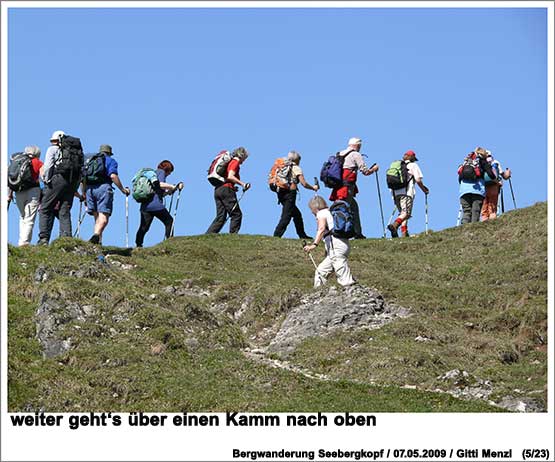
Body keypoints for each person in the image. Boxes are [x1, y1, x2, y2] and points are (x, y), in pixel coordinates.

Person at [330, 137, 379, 239]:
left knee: (351, 207)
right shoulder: (356, 154)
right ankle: (343, 232)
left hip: (338, 186)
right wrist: (374, 169)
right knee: (345, 208)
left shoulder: (340, 153)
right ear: (358, 145)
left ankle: (357, 232)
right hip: (347, 186)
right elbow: (365, 171)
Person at [37, 130, 80, 245]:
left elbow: (48, 166)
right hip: (71, 182)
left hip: (58, 179)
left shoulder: (52, 149)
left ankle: (44, 239)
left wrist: (46, 179)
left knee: (45, 208)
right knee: (64, 211)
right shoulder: (75, 152)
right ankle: (66, 239)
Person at [303, 196, 355, 288]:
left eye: (311, 209)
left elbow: (321, 229)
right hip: (342, 244)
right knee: (321, 271)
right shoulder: (330, 212)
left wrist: (314, 245)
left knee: (340, 266)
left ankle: (350, 287)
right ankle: (318, 291)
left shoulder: (321, 213)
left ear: (315, 207)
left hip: (336, 246)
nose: (311, 212)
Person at [82, 144, 130, 244]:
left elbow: (82, 179)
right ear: (109, 153)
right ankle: (96, 236)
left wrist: (84, 195)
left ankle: (98, 242)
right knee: (104, 218)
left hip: (89, 189)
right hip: (103, 189)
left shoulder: (90, 160)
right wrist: (122, 190)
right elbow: (113, 176)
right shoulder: (110, 161)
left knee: (97, 218)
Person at [135, 160, 183, 248]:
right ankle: (170, 243)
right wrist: (172, 186)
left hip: (145, 206)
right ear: (167, 169)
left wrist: (169, 192)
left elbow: (158, 191)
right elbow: (160, 184)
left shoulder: (152, 175)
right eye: (170, 172)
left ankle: (138, 244)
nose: (169, 174)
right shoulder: (161, 172)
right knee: (169, 221)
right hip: (156, 205)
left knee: (144, 227)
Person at [273, 150, 319, 239]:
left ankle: (302, 234)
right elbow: (304, 183)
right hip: (290, 194)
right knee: (287, 215)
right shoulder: (296, 168)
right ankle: (277, 235)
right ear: (297, 160)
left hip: (281, 192)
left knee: (297, 215)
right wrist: (313, 188)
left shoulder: (283, 166)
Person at [206, 147, 251, 234]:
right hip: (226, 190)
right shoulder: (235, 162)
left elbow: (227, 177)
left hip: (218, 190)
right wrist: (243, 184)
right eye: (245, 158)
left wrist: (233, 187)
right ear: (242, 155)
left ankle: (209, 235)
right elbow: (230, 176)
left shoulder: (229, 162)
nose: (244, 161)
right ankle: (233, 236)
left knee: (221, 217)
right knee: (236, 214)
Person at [387, 150, 429, 238]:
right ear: (412, 158)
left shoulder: (397, 165)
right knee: (406, 213)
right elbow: (418, 180)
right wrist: (424, 189)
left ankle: (404, 233)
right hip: (406, 193)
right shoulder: (413, 165)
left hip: (395, 193)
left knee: (402, 213)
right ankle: (394, 225)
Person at [7, 146, 43, 246]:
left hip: (18, 191)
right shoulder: (37, 162)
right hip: (33, 191)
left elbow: (9, 179)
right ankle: (24, 243)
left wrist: (9, 195)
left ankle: (21, 240)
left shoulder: (17, 161)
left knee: (22, 216)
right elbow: (43, 178)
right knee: (29, 217)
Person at [458, 146, 497, 225]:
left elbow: (459, 177)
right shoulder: (482, 161)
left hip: (464, 190)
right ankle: (473, 228)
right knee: (475, 210)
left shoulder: (467, 161)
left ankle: (464, 228)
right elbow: (491, 175)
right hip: (477, 190)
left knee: (466, 210)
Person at [481, 150, 511, 221]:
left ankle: (484, 219)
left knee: (484, 205)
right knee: (493, 205)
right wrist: (508, 173)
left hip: (483, 186)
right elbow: (503, 175)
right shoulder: (495, 162)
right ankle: (492, 219)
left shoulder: (481, 163)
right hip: (494, 186)